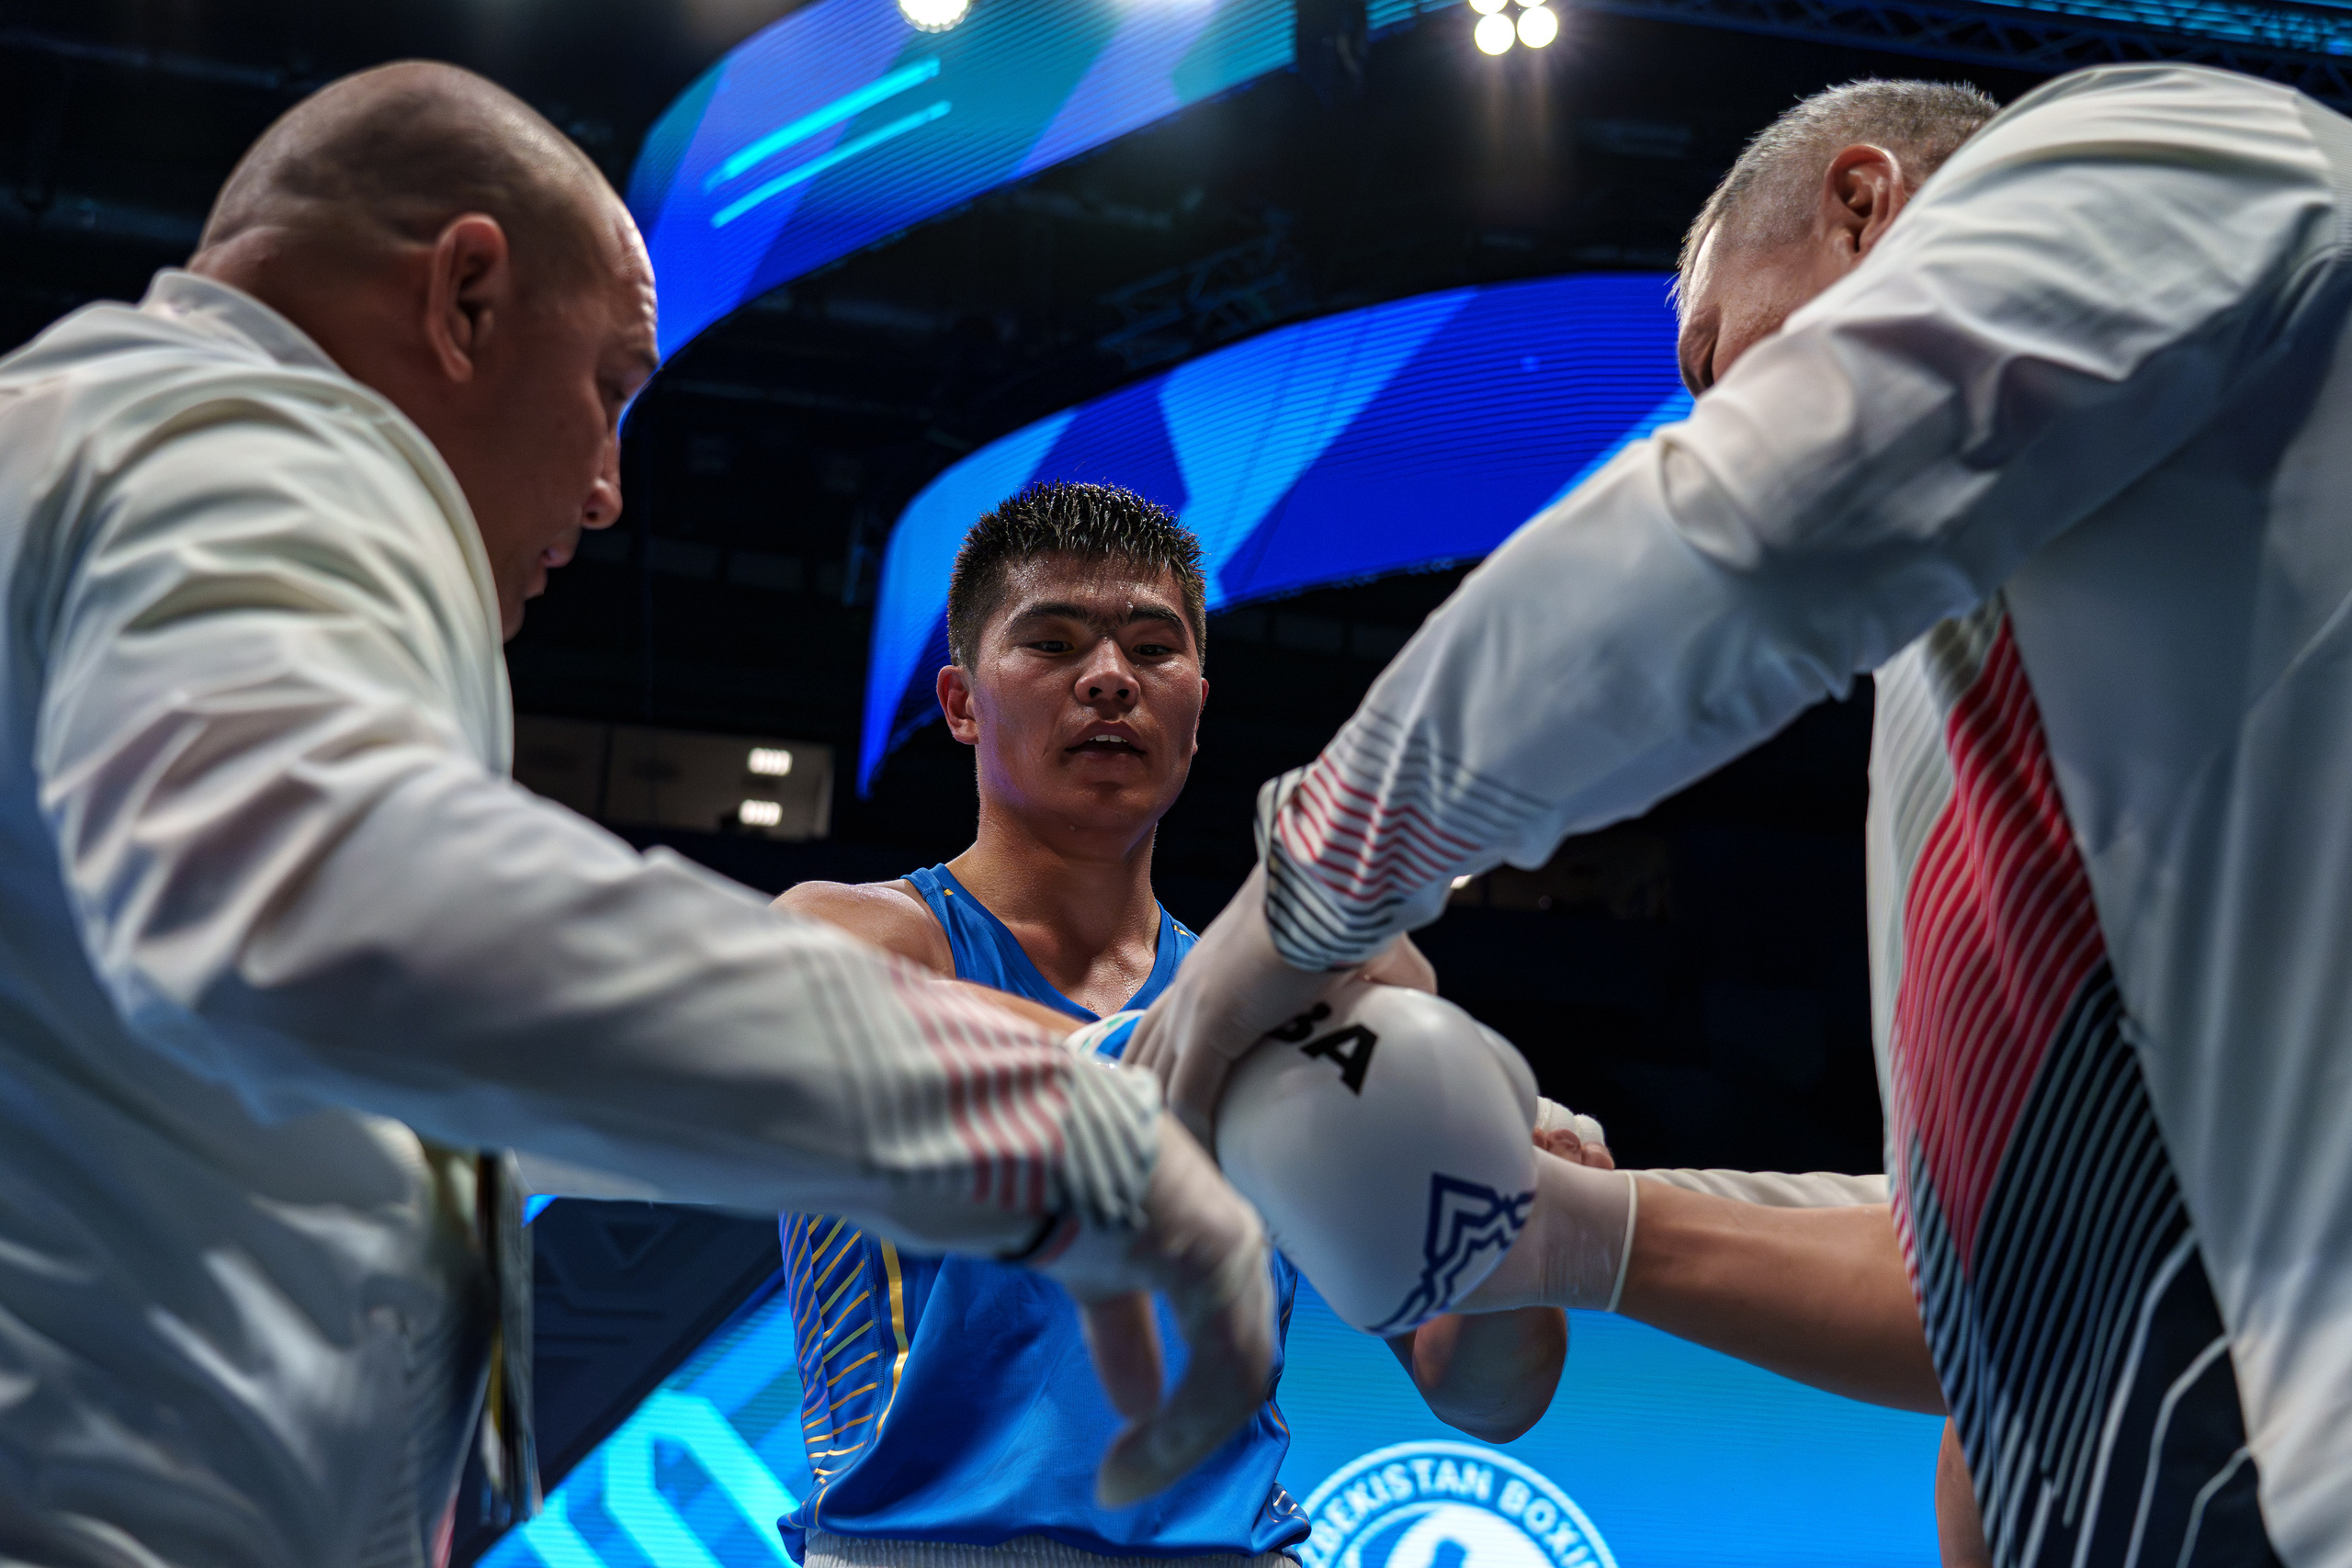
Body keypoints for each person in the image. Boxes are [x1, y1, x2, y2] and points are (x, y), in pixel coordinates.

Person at [0, 63, 1274, 1568]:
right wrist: (1061, 1131)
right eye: (610, 387)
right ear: (466, 297)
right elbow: (347, 922)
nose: (610, 488)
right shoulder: (247, 450)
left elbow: (406, 1060)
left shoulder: (102, 443)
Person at [1131, 62, 2352, 1568]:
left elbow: (1726, 531)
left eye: (1720, 362)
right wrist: (1562, 1225)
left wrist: (1305, 901)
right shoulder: (1986, 676)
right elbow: (1976, 1273)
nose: (1712, 416)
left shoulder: (2178, 150)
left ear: (1863, 203)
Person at [776, 481, 1575, 1568]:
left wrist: (1508, 1228)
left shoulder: (1284, 1021)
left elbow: (1483, 1394)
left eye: (1153, 649)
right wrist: (1241, 1059)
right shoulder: (857, 936)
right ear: (961, 704)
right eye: (1052, 641)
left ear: (1196, 707)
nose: (1108, 678)